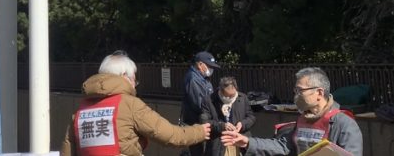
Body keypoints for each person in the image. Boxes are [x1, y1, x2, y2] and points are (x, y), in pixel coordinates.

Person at [61, 51, 211, 156]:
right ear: (124, 76)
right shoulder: (130, 104)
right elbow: (171, 136)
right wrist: (201, 131)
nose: (135, 84)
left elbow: (68, 150)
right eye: (134, 78)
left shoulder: (81, 110)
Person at [221, 67, 363, 156]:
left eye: (300, 90)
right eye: (295, 90)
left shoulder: (344, 124)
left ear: (319, 93)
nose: (295, 95)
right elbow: (283, 146)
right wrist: (247, 142)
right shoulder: (303, 119)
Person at [201, 76, 255, 156]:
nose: (230, 98)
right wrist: (222, 126)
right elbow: (204, 121)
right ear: (221, 91)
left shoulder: (242, 98)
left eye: (233, 95)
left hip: (239, 141)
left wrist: (242, 124)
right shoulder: (209, 100)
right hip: (219, 143)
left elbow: (251, 117)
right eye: (227, 96)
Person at [181, 50, 220, 156]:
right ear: (200, 64)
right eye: (209, 66)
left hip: (203, 122)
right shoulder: (193, 79)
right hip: (196, 123)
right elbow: (199, 103)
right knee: (198, 152)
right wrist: (214, 111)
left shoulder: (203, 78)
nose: (211, 69)